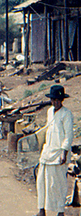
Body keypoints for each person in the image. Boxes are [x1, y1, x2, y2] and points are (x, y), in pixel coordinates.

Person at [36, 85, 74, 216]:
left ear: (62, 100)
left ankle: (60, 211)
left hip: (59, 153)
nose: (55, 102)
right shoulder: (50, 112)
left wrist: (64, 152)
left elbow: (69, 135)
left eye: (58, 99)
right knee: (41, 181)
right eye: (53, 100)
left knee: (58, 184)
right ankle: (42, 209)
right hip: (48, 151)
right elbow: (48, 130)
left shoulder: (66, 114)